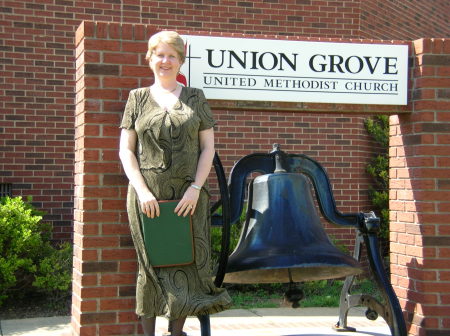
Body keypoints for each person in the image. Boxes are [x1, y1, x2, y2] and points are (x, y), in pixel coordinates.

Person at [119, 31, 231, 336]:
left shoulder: (196, 97)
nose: (165, 61)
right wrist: (142, 191)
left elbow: (208, 148)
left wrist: (195, 188)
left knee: (186, 261)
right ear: (150, 59)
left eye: (172, 55)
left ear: (180, 60)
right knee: (151, 265)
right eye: (160, 54)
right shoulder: (137, 98)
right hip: (148, 199)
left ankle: (176, 332)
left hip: (189, 198)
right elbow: (126, 150)